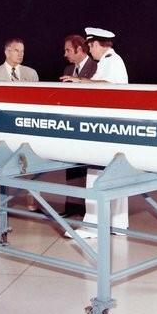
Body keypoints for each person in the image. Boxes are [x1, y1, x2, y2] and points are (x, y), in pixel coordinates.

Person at [60, 27, 128, 238]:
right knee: (115, 174)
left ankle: (91, 227)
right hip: (113, 127)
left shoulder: (112, 61)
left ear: (97, 44)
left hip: (105, 128)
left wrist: (80, 81)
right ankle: (118, 224)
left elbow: (107, 85)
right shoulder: (108, 61)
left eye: (90, 46)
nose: (90, 51)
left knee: (95, 174)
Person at [0, 38, 39, 210]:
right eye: (17, 50)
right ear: (7, 52)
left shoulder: (31, 74)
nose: (21, 54)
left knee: (31, 164)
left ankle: (32, 203)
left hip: (26, 128)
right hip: (3, 128)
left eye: (22, 51)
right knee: (1, 163)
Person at [61, 34, 97, 217]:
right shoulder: (68, 69)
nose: (65, 54)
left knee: (89, 168)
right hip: (71, 125)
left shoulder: (96, 67)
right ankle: (72, 206)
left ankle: (89, 210)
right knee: (72, 165)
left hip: (89, 126)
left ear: (80, 50)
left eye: (68, 50)